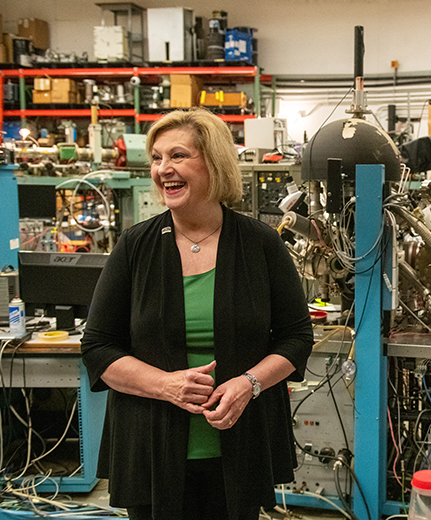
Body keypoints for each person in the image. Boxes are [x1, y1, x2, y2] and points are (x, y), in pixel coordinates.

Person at [81, 108, 314, 520]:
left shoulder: (260, 244)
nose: (163, 169)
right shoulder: (136, 246)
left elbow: (296, 338)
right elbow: (98, 347)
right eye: (156, 158)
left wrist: (249, 384)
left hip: (239, 445)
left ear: (214, 162)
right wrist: (164, 385)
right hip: (151, 446)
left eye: (177, 156)